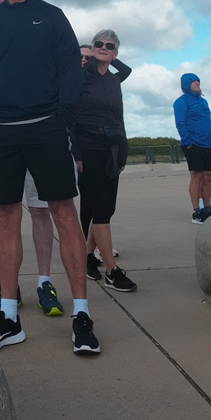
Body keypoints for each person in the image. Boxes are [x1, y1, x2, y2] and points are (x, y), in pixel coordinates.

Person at [0, 0, 100, 355]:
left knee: (63, 213)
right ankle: (8, 317)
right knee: (6, 218)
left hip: (46, 128)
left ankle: (81, 315)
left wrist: (59, 118)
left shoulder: (53, 18)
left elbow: (69, 72)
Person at [0, 0, 64, 318]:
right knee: (6, 218)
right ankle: (9, 288)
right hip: (1, 142)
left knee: (41, 212)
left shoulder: (42, 51)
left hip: (39, 138)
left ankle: (44, 282)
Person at [73, 29, 136, 291]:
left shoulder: (113, 80)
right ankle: (111, 270)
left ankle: (88, 255)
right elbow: (70, 119)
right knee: (98, 208)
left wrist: (122, 151)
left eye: (109, 45)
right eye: (98, 44)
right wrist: (76, 154)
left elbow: (118, 118)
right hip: (88, 150)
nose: (103, 47)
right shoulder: (79, 77)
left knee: (106, 207)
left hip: (113, 149)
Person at [173, 73, 211, 224]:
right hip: (193, 144)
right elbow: (180, 123)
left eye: (198, 81)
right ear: (186, 84)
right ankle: (197, 211)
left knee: (209, 176)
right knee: (197, 177)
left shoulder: (203, 101)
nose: (197, 83)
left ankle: (208, 208)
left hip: (209, 143)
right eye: (193, 81)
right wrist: (188, 142)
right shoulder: (181, 102)